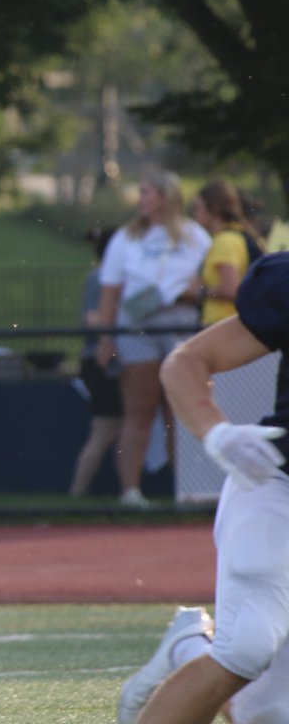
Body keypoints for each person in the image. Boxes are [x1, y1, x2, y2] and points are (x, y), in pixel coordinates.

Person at [119, 252, 289, 724]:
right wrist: (215, 431)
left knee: (269, 720)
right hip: (277, 489)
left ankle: (189, 645)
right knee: (250, 644)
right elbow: (187, 361)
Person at [95, 170, 211, 507]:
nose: (140, 198)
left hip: (180, 329)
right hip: (137, 330)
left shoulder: (194, 236)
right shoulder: (126, 237)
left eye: (146, 192)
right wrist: (106, 338)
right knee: (138, 410)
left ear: (165, 196)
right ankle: (130, 491)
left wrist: (195, 291)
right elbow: (110, 290)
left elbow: (211, 283)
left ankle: (187, 492)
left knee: (180, 412)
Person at [68, 227, 123, 497]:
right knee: (103, 430)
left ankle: (126, 491)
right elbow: (91, 318)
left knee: (117, 428)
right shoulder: (99, 278)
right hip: (100, 362)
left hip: (116, 361)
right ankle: (77, 493)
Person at [192, 180, 263, 327]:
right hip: (228, 324)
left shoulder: (226, 241)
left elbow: (230, 290)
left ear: (214, 208)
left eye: (198, 207)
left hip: (224, 324)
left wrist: (199, 292)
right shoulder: (234, 236)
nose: (195, 213)